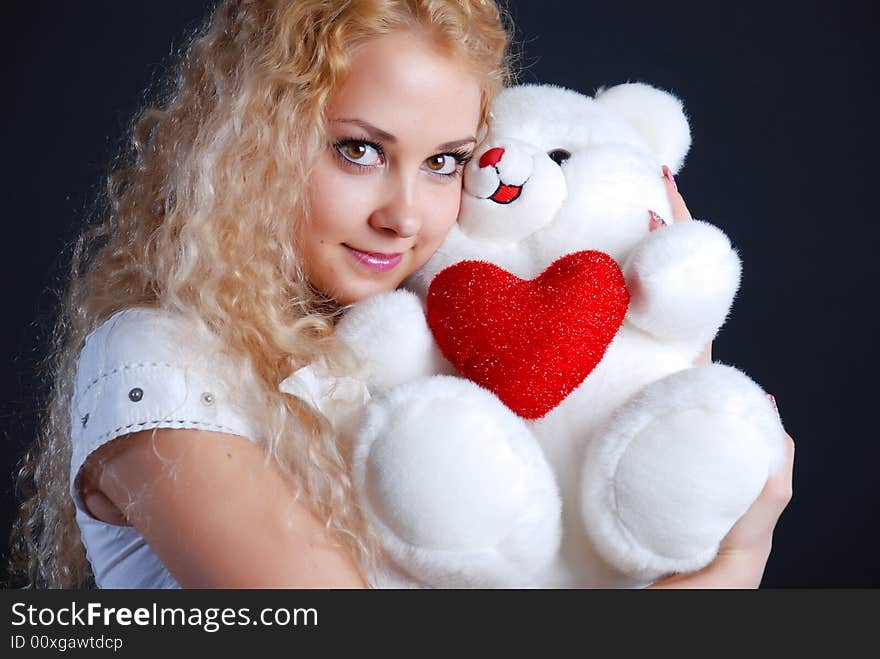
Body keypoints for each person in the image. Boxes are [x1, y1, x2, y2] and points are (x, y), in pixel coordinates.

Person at [8, 0, 793, 589]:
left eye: (445, 162)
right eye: (359, 150)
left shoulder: (419, 342)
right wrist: (735, 558)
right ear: (252, 139)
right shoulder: (157, 356)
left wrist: (662, 350)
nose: (405, 215)